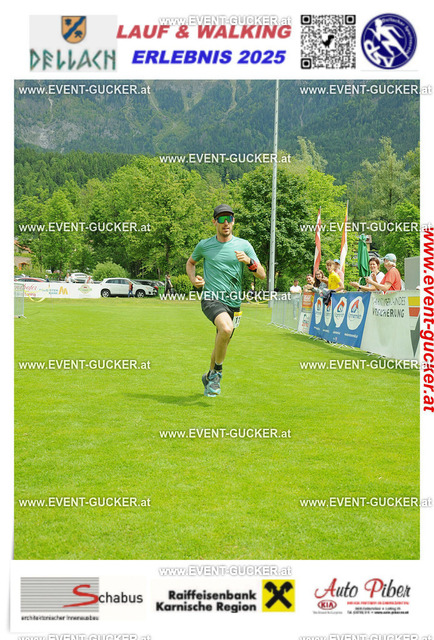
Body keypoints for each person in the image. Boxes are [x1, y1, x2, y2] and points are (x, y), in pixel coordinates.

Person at [186, 204, 266, 397]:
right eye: (221, 219)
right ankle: (218, 374)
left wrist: (249, 262)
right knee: (226, 329)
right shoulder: (204, 245)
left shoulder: (244, 245)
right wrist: (193, 279)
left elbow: (262, 274)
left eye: (229, 219)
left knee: (221, 342)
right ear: (214, 222)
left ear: (233, 221)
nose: (226, 223)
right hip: (211, 298)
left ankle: (209, 376)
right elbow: (190, 263)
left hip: (234, 303)